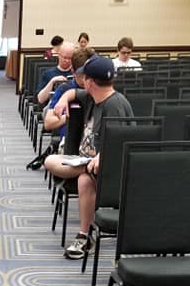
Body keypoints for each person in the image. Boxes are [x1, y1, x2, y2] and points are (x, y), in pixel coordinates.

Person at [49, 54, 134, 260]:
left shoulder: (115, 105)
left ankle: (84, 235)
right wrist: (63, 99)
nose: (81, 81)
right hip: (87, 162)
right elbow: (72, 92)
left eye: (84, 77)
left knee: (84, 180)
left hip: (112, 168)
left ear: (90, 82)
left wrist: (102, 156)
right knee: (50, 161)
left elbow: (122, 142)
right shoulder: (92, 97)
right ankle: (84, 167)